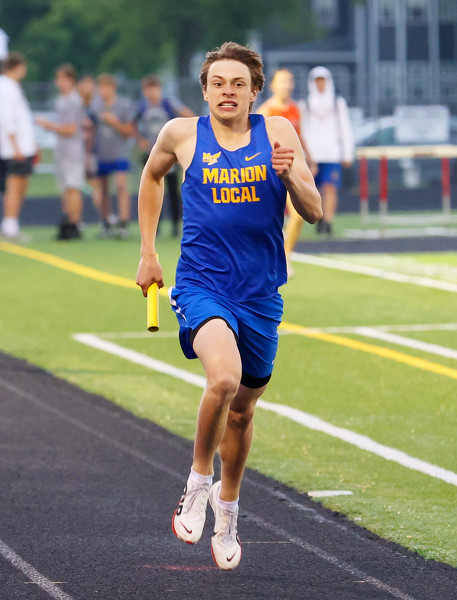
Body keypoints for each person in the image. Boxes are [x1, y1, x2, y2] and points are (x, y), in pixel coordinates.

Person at [136, 42, 321, 570]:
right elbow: (152, 176)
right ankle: (198, 483)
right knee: (223, 379)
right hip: (201, 285)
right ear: (205, 90)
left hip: (260, 294)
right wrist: (148, 253)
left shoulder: (278, 133)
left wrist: (289, 175)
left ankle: (229, 510)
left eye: (238, 84)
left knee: (242, 412)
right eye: (218, 83)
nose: (227, 92)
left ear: (254, 92)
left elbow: (313, 209)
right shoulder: (181, 134)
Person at [257, 68, 316, 275]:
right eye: (282, 81)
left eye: (290, 80)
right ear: (273, 85)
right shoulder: (266, 110)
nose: (287, 85)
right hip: (270, 171)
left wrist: (310, 159)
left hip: (292, 169)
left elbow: (300, 136)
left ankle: (285, 256)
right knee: (265, 218)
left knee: (298, 215)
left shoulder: (295, 108)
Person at [287, 66, 354, 247]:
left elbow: (345, 127)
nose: (320, 85)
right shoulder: (306, 104)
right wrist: (302, 153)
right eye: (317, 81)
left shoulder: (337, 103)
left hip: (332, 152)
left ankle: (328, 221)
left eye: (323, 81)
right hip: (312, 154)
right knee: (312, 188)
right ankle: (316, 217)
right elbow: (301, 130)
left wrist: (347, 152)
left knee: (330, 188)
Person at [134, 74, 194, 237]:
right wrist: (140, 140)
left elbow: (188, 114)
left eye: (154, 89)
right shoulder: (142, 107)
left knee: (173, 190)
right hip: (151, 153)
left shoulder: (168, 103)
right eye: (148, 89)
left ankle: (175, 225)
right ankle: (155, 226)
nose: (151, 93)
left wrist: (181, 138)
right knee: (151, 189)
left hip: (169, 153)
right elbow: (132, 125)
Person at [37, 64, 85, 240]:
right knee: (65, 188)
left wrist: (50, 126)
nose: (60, 82)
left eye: (63, 78)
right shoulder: (60, 100)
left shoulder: (74, 100)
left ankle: (75, 223)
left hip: (72, 151)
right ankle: (67, 221)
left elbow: (71, 128)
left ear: (71, 80)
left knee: (73, 187)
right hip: (62, 151)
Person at [91, 73, 135, 238]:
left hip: (119, 153)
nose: (103, 91)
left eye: (106, 87)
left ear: (113, 88)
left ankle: (123, 223)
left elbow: (129, 131)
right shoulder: (96, 106)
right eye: (100, 87)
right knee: (103, 190)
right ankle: (106, 223)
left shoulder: (123, 105)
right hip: (102, 153)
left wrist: (113, 122)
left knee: (121, 186)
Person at [0, 52, 38, 241]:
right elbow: (8, 119)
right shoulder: (7, 88)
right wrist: (16, 147)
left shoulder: (11, 87)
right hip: (16, 148)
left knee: (18, 186)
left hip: (20, 146)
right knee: (15, 186)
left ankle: (10, 223)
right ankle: (10, 225)